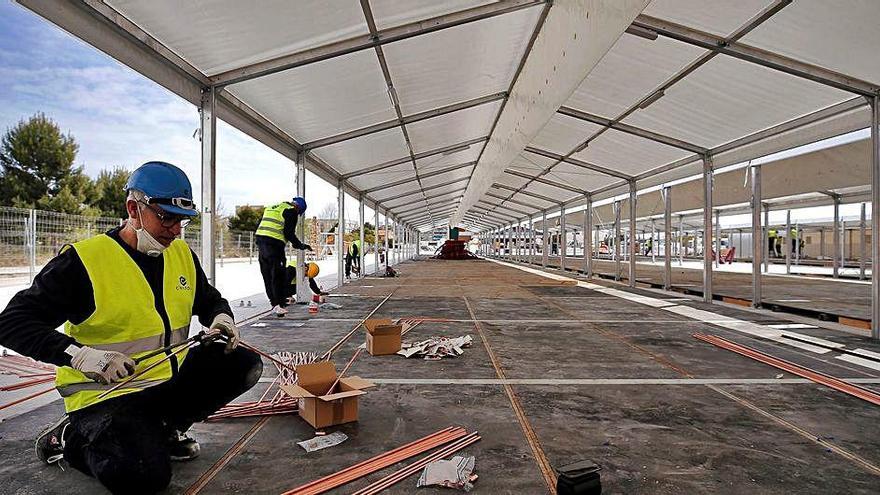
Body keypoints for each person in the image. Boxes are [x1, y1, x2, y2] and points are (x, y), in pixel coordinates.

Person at [0, 162, 263, 495]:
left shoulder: (179, 254)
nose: (175, 230)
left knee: (242, 363)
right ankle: (71, 438)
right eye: (166, 218)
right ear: (133, 209)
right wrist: (81, 357)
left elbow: (208, 299)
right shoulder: (85, 262)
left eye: (181, 220)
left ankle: (166, 427)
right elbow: (11, 322)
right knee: (144, 477)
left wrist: (222, 317)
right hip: (106, 396)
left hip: (163, 383)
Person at [254, 197, 312, 317]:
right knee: (278, 273)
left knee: (267, 274)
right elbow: (288, 233)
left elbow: (260, 225)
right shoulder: (291, 211)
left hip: (261, 242)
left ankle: (275, 304)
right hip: (274, 244)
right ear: (299, 208)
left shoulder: (272, 208)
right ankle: (279, 304)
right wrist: (300, 245)